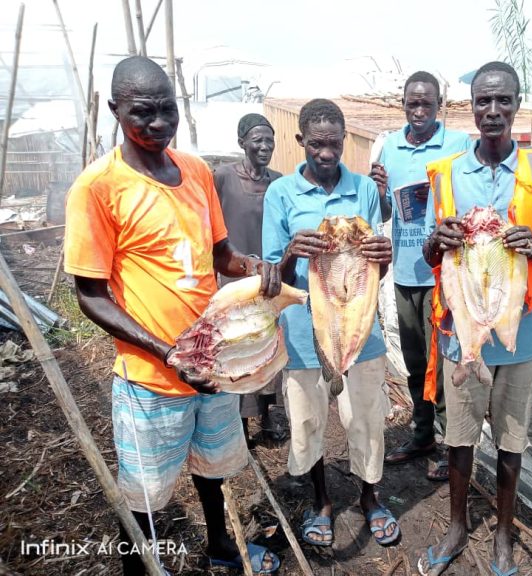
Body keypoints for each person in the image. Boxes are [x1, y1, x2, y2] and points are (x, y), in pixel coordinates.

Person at [63, 56, 281, 575]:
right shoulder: (98, 188)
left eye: (168, 110)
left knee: (213, 469)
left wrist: (253, 266)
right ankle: (137, 566)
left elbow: (219, 255)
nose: (158, 123)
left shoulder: (197, 171)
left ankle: (221, 545)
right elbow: (90, 296)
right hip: (150, 378)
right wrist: (167, 352)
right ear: (115, 109)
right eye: (143, 113)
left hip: (212, 366)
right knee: (145, 491)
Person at [417, 61, 532, 576]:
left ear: (517, 105)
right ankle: (458, 526)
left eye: (502, 100)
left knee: (510, 442)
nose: (492, 110)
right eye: (483, 100)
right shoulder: (446, 174)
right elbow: (430, 253)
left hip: (519, 334)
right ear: (471, 107)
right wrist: (436, 241)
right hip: (461, 329)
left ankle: (503, 535)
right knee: (459, 438)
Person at [262, 98, 401, 548]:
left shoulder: (363, 189)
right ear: (300, 141)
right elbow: (271, 277)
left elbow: (375, 254)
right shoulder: (280, 194)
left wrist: (387, 254)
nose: (326, 153)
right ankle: (322, 501)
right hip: (305, 333)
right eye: (317, 144)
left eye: (335, 144)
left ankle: (370, 497)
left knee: (366, 417)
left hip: (361, 327)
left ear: (344, 142)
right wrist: (291, 253)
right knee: (307, 420)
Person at [370, 71, 472, 482]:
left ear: (439, 106)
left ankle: (451, 445)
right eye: (412, 103)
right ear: (403, 105)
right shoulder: (389, 149)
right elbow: (386, 214)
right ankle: (422, 434)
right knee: (415, 362)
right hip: (405, 273)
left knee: (443, 362)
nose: (419, 110)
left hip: (443, 278)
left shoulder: (459, 145)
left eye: (426, 103)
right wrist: (378, 193)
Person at [214, 113, 286, 447]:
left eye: (269, 140)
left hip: (269, 281)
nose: (264, 146)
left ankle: (268, 415)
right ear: (241, 142)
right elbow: (211, 227)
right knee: (238, 349)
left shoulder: (279, 181)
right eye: (257, 140)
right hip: (234, 280)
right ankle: (239, 427)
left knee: (267, 346)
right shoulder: (223, 178)